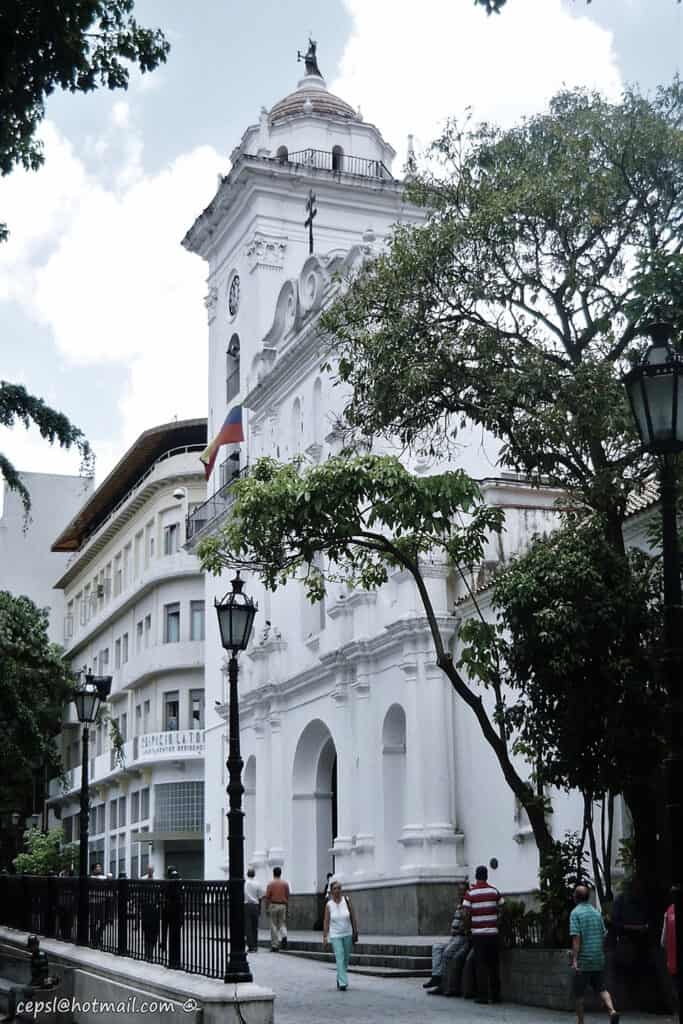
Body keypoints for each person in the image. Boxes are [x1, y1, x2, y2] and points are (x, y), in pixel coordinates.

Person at [570, 885, 619, 1024]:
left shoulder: (575, 913)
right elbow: (604, 935)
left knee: (579, 994)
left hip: (584, 961)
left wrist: (574, 959)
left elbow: (576, 938)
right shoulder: (596, 913)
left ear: (576, 897)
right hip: (598, 958)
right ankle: (612, 1011)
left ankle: (580, 1022)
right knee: (602, 988)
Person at [462, 864, 504, 1004]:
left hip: (478, 934)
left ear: (476, 876)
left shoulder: (470, 893)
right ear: (486, 876)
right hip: (493, 933)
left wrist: (468, 929)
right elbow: (502, 909)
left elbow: (466, 913)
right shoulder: (494, 891)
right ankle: (496, 995)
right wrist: (496, 922)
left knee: (481, 965)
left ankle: (483, 996)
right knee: (493, 965)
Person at [423, 906, 471, 996]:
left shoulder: (467, 905)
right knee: (437, 947)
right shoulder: (459, 906)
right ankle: (436, 977)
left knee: (447, 953)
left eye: (461, 891)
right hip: (453, 937)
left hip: (462, 937)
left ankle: (444, 985)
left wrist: (461, 930)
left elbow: (466, 925)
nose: (459, 892)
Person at [323, 878, 359, 991]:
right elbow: (326, 921)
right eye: (335, 888)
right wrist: (325, 936)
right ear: (331, 891)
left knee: (346, 959)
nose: (337, 890)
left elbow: (352, 916)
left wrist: (355, 931)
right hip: (335, 935)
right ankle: (343, 982)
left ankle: (340, 977)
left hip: (347, 933)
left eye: (339, 888)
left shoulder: (346, 900)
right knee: (339, 957)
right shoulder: (329, 905)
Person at [661, 888, 678, 1019]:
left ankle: (676, 1015)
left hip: (673, 961)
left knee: (675, 987)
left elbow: (663, 941)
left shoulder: (668, 912)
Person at [265, 866, 290, 951]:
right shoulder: (285, 884)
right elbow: (287, 896)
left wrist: (266, 908)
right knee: (282, 923)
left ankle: (275, 945)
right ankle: (284, 936)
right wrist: (287, 907)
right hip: (283, 905)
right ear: (280, 873)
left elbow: (267, 897)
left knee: (273, 925)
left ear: (273, 873)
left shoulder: (270, 884)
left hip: (273, 905)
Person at [244, 867, 264, 953]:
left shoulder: (244, 883)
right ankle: (255, 945)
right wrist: (259, 908)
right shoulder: (258, 884)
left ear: (247, 874)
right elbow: (260, 897)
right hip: (255, 905)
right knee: (255, 927)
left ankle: (250, 946)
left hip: (246, 906)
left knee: (248, 927)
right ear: (254, 875)